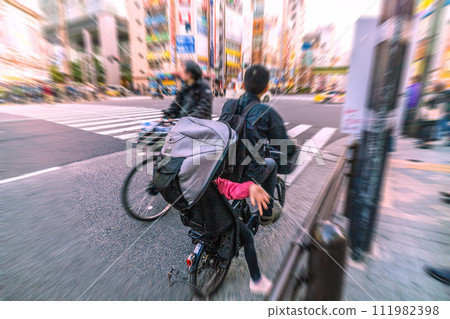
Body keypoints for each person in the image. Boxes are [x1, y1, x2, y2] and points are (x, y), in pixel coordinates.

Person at [220, 65, 290, 226]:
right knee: (271, 164)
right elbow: (282, 143)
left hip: (222, 167)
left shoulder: (228, 105)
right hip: (245, 173)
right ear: (266, 88)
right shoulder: (265, 111)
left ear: (243, 85)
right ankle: (265, 214)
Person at [214, 177, 273, 295]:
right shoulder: (208, 176)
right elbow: (229, 188)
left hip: (197, 221)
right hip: (217, 218)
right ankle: (257, 281)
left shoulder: (178, 173)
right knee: (248, 238)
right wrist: (249, 187)